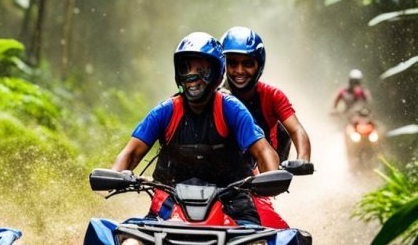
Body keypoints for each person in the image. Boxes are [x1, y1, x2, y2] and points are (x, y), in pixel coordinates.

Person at [111, 32, 279, 225]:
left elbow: (263, 151)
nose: (192, 76)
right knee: (118, 238)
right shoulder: (165, 111)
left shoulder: (231, 109)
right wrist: (115, 176)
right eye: (186, 68)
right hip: (168, 205)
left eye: (202, 70)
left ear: (217, 74)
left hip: (233, 204)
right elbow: (131, 153)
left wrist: (271, 179)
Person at [220, 27, 311, 164]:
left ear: (259, 64)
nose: (239, 70)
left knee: (282, 131)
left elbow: (296, 129)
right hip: (225, 168)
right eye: (232, 63)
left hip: (265, 168)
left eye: (247, 63)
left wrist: (303, 160)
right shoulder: (215, 98)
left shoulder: (273, 96)